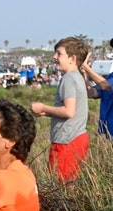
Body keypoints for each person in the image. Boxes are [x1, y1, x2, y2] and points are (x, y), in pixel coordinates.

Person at [31, 36, 90, 182]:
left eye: (59, 53)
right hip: (76, 137)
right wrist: (46, 112)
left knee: (60, 187)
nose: (54, 57)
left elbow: (69, 111)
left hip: (67, 140)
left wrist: (42, 107)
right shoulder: (77, 77)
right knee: (69, 184)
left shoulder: (68, 79)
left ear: (72, 58)